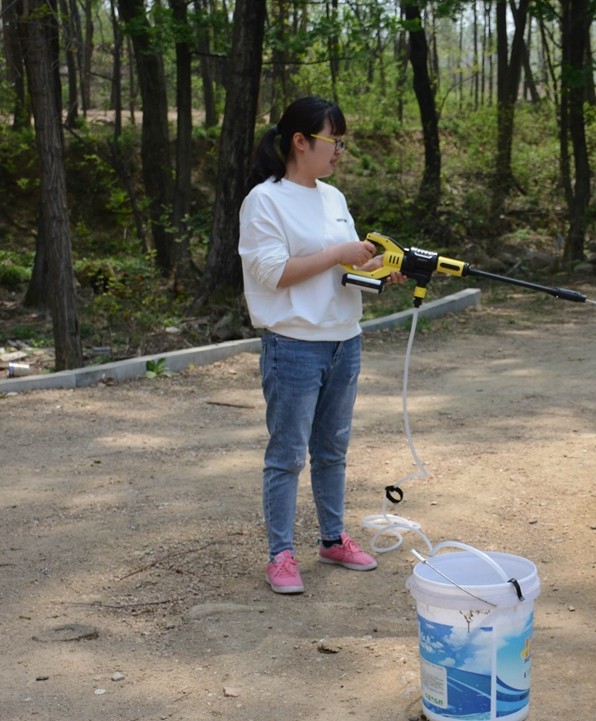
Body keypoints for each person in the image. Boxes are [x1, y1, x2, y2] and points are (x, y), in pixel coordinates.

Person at [238, 96, 402, 594]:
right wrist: (337, 253)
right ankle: (281, 555)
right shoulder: (265, 200)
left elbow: (346, 270)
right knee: (287, 454)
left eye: (342, 143)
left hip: (343, 341)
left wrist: (380, 269)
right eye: (334, 141)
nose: (340, 152)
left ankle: (333, 539)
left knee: (332, 450)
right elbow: (273, 273)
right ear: (300, 141)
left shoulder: (333, 198)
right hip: (293, 345)